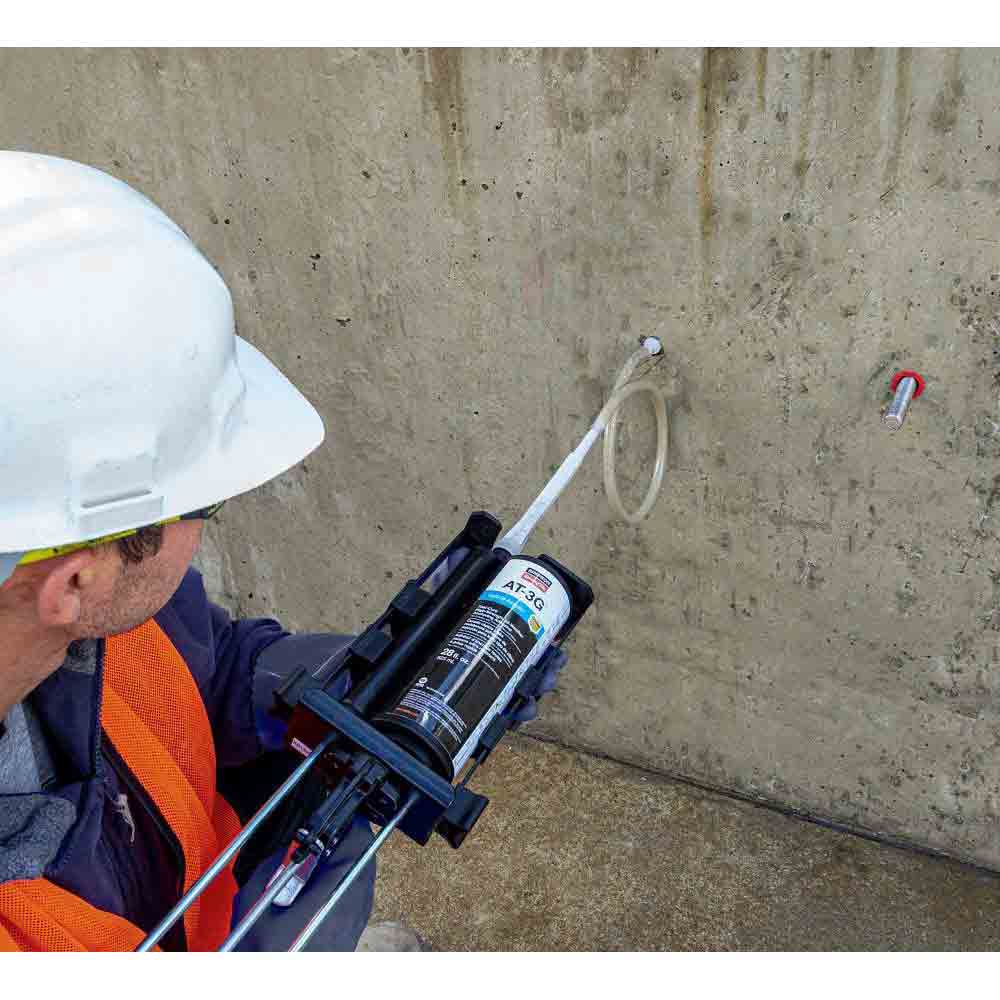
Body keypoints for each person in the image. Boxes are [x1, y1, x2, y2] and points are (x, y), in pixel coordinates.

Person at [0, 152, 564, 952]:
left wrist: (337, 680)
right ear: (75, 579)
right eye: (202, 500)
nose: (206, 523)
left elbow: (204, 666)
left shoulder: (80, 606)